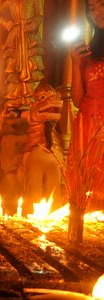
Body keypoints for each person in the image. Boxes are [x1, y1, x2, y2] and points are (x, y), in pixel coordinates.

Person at [68, 0, 104, 205]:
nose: (97, 12)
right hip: (87, 129)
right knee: (85, 193)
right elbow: (78, 100)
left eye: (101, 4)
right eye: (91, 8)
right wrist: (75, 64)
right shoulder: (88, 53)